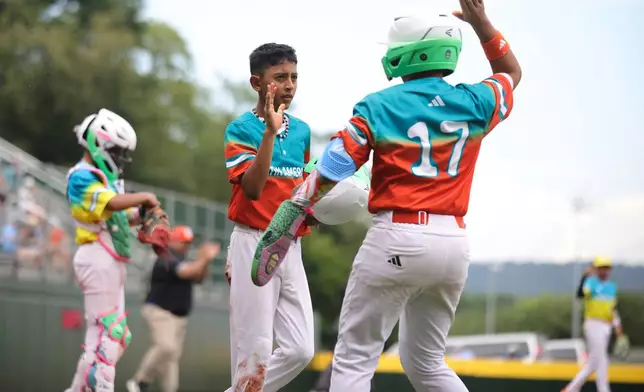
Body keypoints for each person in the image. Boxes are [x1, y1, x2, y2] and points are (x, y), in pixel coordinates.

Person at [252, 1, 522, 390]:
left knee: (354, 359)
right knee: (427, 362)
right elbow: (510, 73)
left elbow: (334, 167)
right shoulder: (476, 101)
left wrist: (294, 207)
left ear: (405, 53)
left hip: (397, 236)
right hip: (453, 244)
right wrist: (483, 24)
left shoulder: (379, 105)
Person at [223, 43, 315, 391]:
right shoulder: (240, 129)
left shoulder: (303, 131)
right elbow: (252, 189)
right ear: (256, 82)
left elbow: (301, 190)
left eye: (294, 76)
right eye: (280, 77)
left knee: (301, 349)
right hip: (253, 242)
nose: (290, 84)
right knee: (255, 350)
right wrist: (269, 133)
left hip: (290, 244)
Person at [64, 108, 161, 392]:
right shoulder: (81, 176)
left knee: (110, 337)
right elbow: (109, 204)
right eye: (117, 151)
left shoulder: (104, 180)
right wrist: (144, 198)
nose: (120, 158)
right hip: (95, 257)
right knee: (111, 332)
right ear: (100, 145)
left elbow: (118, 214)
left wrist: (142, 216)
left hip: (108, 259)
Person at [126, 226, 220, 392]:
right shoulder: (166, 257)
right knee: (166, 347)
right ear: (173, 241)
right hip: (161, 311)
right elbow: (186, 272)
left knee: (171, 358)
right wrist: (204, 258)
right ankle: (139, 381)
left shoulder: (182, 259)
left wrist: (205, 260)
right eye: (184, 242)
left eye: (188, 243)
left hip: (178, 316)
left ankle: (170, 389)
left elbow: (198, 277)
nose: (187, 246)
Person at [562, 256, 627, 392]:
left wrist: (618, 325)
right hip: (593, 324)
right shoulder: (591, 283)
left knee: (593, 362)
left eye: (607, 268)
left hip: (606, 326)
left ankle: (571, 389)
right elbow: (580, 295)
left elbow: (612, 309)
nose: (604, 271)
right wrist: (584, 278)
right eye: (601, 268)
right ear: (596, 269)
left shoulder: (612, 287)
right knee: (602, 359)